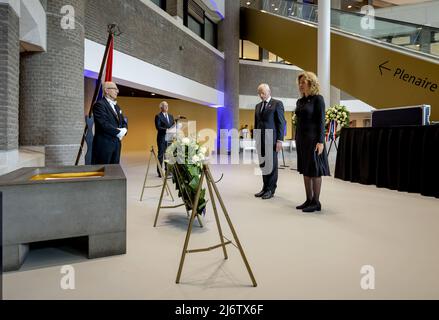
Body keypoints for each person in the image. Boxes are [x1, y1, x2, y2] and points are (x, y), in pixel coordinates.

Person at [295, 71, 330, 213]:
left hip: (314, 140)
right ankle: (308, 199)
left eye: (303, 82)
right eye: (300, 83)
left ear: (311, 83)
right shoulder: (300, 101)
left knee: (315, 171)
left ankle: (316, 202)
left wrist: (321, 141)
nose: (301, 85)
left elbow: (321, 122)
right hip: (302, 140)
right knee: (305, 169)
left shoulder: (318, 99)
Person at [254, 84, 286, 200]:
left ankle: (271, 190)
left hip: (272, 140)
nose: (261, 95)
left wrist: (280, 140)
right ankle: (265, 187)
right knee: (263, 165)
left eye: (263, 93)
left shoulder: (277, 104)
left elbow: (281, 123)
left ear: (269, 91)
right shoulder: (258, 106)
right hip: (260, 140)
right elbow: (257, 123)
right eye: (259, 93)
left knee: (271, 165)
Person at [92, 82, 128, 165]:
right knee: (104, 171)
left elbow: (123, 121)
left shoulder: (117, 106)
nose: (117, 91)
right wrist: (119, 132)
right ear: (106, 90)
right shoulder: (99, 105)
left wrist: (125, 130)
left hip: (116, 144)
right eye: (115, 89)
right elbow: (104, 124)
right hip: (104, 145)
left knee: (114, 170)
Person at [155, 101, 175, 177]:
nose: (166, 107)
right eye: (164, 105)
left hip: (169, 138)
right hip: (161, 138)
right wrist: (166, 130)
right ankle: (160, 171)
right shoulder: (158, 116)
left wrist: (175, 130)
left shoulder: (170, 116)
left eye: (167, 105)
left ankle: (168, 170)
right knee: (161, 155)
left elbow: (173, 125)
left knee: (168, 155)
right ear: (161, 107)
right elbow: (158, 127)